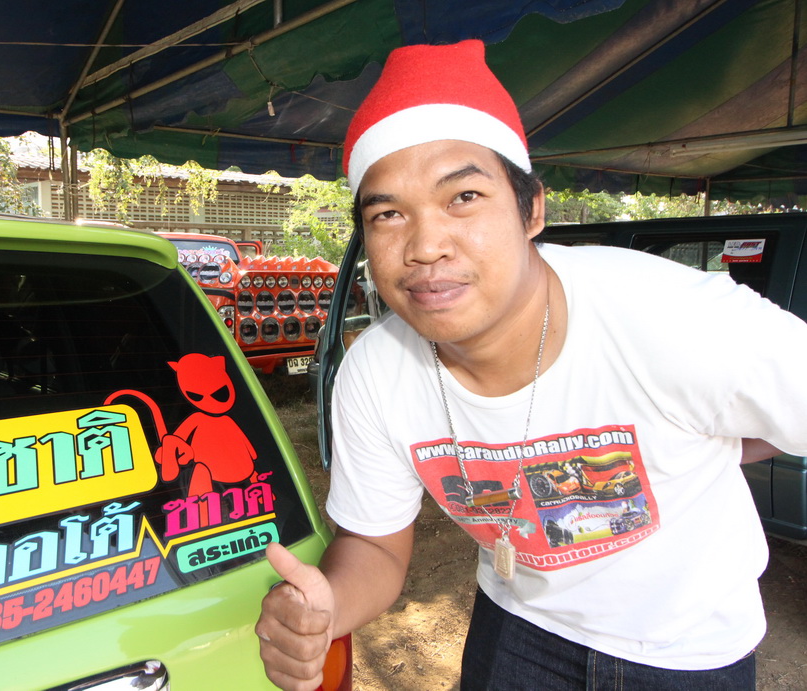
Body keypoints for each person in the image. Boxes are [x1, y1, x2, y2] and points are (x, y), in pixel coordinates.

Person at [254, 39, 807, 690]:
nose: (425, 246)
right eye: (388, 213)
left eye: (463, 196)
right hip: (517, 625)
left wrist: (718, 441)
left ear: (532, 209)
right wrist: (324, 611)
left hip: (685, 649)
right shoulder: (376, 373)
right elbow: (374, 545)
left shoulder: (675, 319)